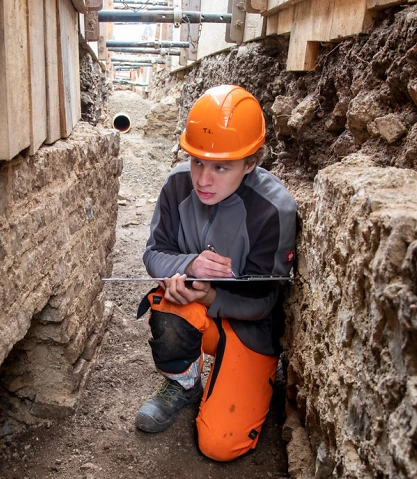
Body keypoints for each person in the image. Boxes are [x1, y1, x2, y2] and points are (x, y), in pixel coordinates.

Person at [134, 84, 297, 462]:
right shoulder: (177, 185)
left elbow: (265, 303)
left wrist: (209, 296)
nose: (203, 179)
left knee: (220, 445)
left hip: (248, 328)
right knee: (166, 303)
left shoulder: (274, 210)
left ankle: (245, 380)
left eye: (221, 166)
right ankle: (185, 382)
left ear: (251, 162)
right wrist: (187, 265)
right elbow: (153, 253)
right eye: (196, 162)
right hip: (194, 314)